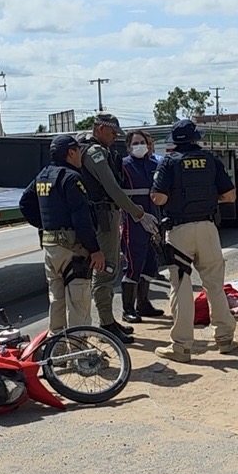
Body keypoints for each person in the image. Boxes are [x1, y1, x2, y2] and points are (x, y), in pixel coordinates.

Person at [149, 120, 238, 361]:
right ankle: (225, 338)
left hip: (179, 231)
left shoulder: (169, 162)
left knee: (181, 286)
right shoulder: (210, 160)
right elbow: (230, 195)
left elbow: (158, 198)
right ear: (195, 138)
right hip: (208, 228)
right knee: (215, 285)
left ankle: (181, 346)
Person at [79, 113, 162, 341]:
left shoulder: (97, 150)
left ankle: (109, 321)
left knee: (112, 269)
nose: (115, 136)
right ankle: (106, 324)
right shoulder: (95, 153)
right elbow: (112, 188)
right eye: (112, 131)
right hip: (103, 217)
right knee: (106, 272)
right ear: (99, 128)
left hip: (105, 215)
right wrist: (138, 214)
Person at [18, 135, 106, 334]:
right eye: (79, 150)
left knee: (56, 300)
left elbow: (25, 203)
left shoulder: (43, 176)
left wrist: (46, 225)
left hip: (51, 248)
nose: (81, 155)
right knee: (78, 304)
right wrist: (95, 250)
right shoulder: (71, 178)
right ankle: (79, 349)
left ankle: (56, 347)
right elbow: (82, 219)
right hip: (73, 250)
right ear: (71, 152)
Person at [119, 129, 164, 324]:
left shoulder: (155, 164)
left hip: (154, 219)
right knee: (133, 264)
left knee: (151, 263)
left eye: (142, 142)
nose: (140, 146)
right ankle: (127, 308)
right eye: (135, 143)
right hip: (133, 221)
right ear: (129, 147)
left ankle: (143, 304)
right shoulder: (123, 166)